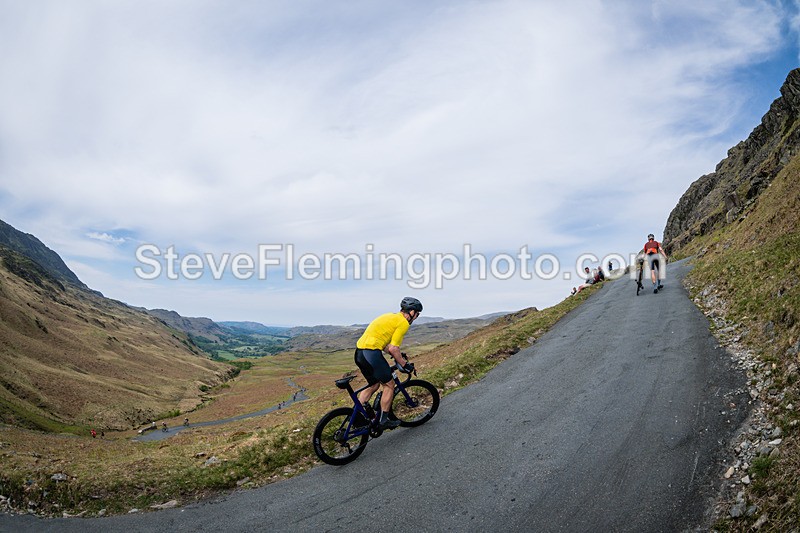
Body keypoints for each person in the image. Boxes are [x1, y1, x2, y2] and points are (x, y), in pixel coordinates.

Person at [354, 297, 422, 430]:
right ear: (412, 312)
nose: (417, 317)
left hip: (360, 354)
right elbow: (393, 348)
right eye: (417, 314)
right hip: (371, 354)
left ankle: (357, 416)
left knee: (373, 385)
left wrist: (396, 355)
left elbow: (386, 345)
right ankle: (383, 421)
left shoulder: (389, 316)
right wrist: (403, 363)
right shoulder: (403, 323)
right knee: (389, 385)